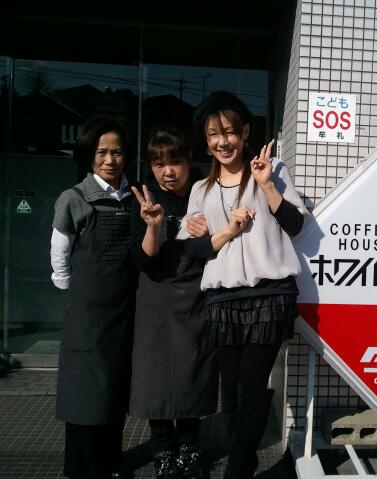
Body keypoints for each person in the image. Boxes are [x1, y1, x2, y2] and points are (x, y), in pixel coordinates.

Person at [177, 91, 309, 479]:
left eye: (230, 132)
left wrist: (267, 185)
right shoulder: (200, 190)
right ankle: (245, 461)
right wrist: (207, 233)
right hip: (222, 300)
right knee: (231, 391)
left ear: (245, 132)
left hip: (269, 296)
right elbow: (192, 250)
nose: (223, 142)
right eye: (214, 135)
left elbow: (296, 224)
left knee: (251, 387)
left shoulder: (272, 170)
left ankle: (236, 469)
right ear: (206, 141)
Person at [50, 115, 138, 479]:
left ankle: (111, 462)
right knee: (84, 391)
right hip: (87, 314)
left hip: (124, 310)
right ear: (89, 155)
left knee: (114, 389)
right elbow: (59, 254)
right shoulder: (74, 198)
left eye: (117, 152)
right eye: (102, 152)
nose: (110, 160)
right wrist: (75, 288)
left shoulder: (134, 197)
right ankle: (84, 468)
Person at [129, 128, 218, 479]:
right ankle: (163, 452)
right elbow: (143, 261)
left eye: (175, 162)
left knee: (193, 372)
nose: (167, 171)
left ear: (189, 160)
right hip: (155, 298)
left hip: (196, 295)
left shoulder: (206, 191)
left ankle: (189, 449)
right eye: (158, 163)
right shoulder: (144, 197)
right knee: (156, 377)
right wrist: (153, 226)